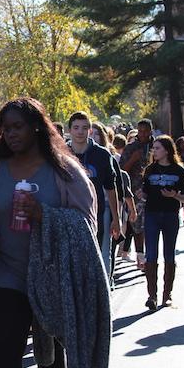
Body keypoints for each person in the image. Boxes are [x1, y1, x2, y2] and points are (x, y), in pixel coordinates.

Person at [0, 98, 98, 368]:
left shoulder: (64, 171)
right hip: (7, 274)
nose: (10, 134)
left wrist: (44, 214)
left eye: (17, 126)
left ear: (36, 127)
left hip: (51, 273)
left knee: (50, 352)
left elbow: (87, 225)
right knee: (6, 352)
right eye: (5, 128)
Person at [139, 136, 184, 310]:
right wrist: (141, 195)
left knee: (169, 254)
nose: (154, 151)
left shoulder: (179, 171)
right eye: (153, 148)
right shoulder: (150, 170)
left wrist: (174, 195)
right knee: (151, 254)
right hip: (152, 214)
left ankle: (166, 294)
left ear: (167, 150)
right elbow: (145, 193)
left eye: (158, 148)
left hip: (170, 215)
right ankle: (151, 295)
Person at [69, 113, 120, 277]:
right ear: (70, 130)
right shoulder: (61, 154)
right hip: (68, 215)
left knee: (94, 259)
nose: (80, 132)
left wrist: (116, 219)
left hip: (95, 215)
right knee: (73, 261)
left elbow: (111, 188)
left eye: (84, 128)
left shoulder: (102, 155)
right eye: (76, 128)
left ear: (90, 131)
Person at [120, 119, 155, 270]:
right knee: (137, 226)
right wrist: (133, 158)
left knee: (151, 226)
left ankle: (151, 257)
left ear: (150, 131)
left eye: (145, 131)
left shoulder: (157, 146)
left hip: (154, 192)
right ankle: (141, 257)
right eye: (139, 131)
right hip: (135, 192)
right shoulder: (131, 148)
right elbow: (121, 170)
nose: (142, 134)